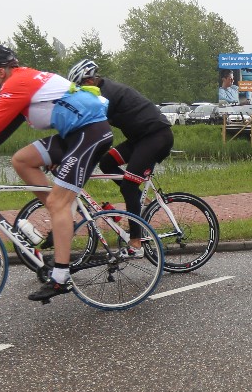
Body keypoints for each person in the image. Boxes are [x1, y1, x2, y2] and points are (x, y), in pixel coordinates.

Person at [0, 44, 113, 302]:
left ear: (1, 72)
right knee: (22, 160)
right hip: (75, 134)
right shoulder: (24, 83)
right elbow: (1, 132)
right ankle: (61, 215)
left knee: (58, 203)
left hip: (89, 134)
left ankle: (60, 278)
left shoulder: (18, 83)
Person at [67, 58, 174, 252]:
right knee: (107, 163)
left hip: (156, 137)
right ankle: (138, 198)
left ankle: (136, 241)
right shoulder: (101, 91)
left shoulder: (105, 96)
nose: (79, 93)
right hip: (139, 139)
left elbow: (93, 131)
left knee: (128, 186)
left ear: (89, 81)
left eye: (80, 87)